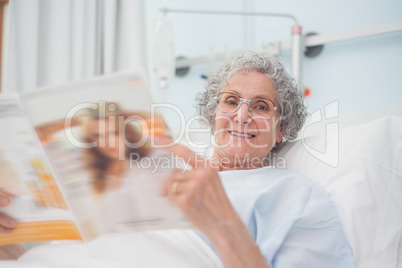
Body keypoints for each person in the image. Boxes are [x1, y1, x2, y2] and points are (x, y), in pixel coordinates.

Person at [0, 52, 355, 267]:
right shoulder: (155, 163)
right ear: (214, 113)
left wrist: (220, 221)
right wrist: (12, 238)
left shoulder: (298, 196)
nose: (242, 115)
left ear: (282, 129)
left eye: (261, 106)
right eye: (230, 101)